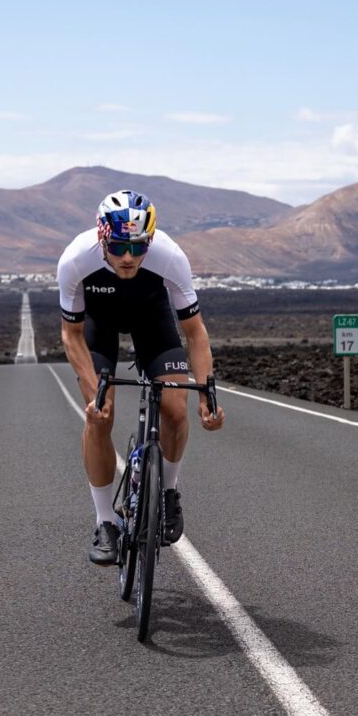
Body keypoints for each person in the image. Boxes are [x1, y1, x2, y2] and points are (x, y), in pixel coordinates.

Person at [57, 189, 224, 565]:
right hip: (100, 324)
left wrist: (206, 396)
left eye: (138, 246)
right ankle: (105, 523)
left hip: (152, 320)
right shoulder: (74, 259)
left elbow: (195, 333)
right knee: (100, 415)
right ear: (102, 237)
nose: (129, 257)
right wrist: (94, 394)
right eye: (118, 247)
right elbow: (71, 334)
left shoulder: (170, 256)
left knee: (175, 410)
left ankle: (167, 491)